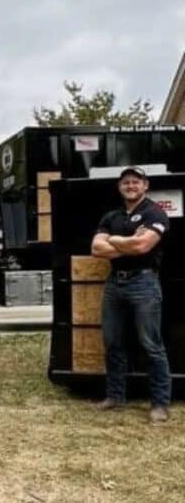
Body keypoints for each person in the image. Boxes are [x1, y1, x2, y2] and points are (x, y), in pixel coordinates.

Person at [90, 166, 171, 422]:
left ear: (145, 185)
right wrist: (127, 242)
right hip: (114, 284)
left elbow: (143, 245)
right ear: (119, 187)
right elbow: (96, 249)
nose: (131, 186)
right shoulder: (111, 216)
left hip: (144, 283)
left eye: (136, 181)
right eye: (126, 182)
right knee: (113, 343)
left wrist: (113, 240)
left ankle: (160, 404)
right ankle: (115, 397)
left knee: (151, 346)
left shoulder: (154, 212)